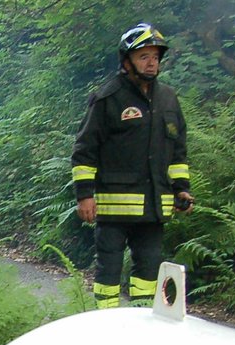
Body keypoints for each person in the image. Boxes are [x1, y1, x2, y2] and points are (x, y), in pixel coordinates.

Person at [71, 22, 194, 309]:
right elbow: (84, 150)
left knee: (149, 272)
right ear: (127, 62)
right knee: (109, 273)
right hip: (114, 209)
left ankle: (141, 321)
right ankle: (105, 324)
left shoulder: (168, 99)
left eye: (155, 57)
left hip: (155, 207)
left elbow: (178, 151)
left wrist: (182, 189)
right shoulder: (108, 98)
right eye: (143, 57)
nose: (151, 63)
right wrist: (84, 195)